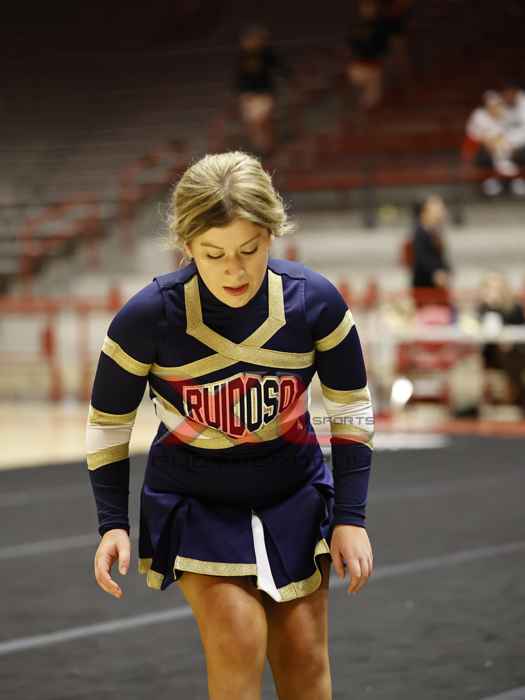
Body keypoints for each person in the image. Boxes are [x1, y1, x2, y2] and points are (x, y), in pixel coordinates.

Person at [87, 151, 374, 699]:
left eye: (250, 249)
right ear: (186, 245)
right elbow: (107, 424)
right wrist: (112, 523)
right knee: (239, 637)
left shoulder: (315, 302)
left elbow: (352, 409)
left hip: (294, 491)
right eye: (213, 254)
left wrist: (351, 517)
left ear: (272, 233)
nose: (234, 271)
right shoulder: (148, 317)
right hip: (195, 500)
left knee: (305, 656)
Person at [477, 271, 525, 414]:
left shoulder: (515, 308)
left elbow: (519, 331)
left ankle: (516, 397)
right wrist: (491, 307)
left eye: (497, 288)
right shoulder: (482, 309)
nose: (493, 291)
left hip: (515, 352)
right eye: (489, 288)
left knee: (512, 356)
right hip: (490, 354)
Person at [235, 25, 287, 156]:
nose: (249, 43)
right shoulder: (242, 57)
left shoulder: (266, 55)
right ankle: (260, 148)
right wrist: (241, 94)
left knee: (263, 122)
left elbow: (282, 68)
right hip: (249, 96)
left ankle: (269, 147)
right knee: (253, 124)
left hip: (264, 93)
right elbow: (239, 78)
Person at [409, 194, 452, 309]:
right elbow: (421, 257)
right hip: (425, 286)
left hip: (436, 285)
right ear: (425, 213)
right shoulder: (419, 233)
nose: (441, 213)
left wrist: (447, 270)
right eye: (437, 210)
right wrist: (435, 273)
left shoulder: (436, 232)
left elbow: (440, 257)